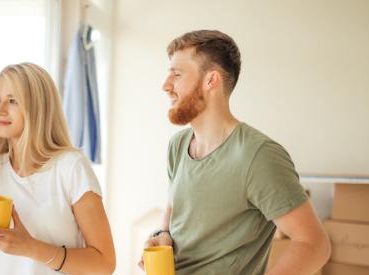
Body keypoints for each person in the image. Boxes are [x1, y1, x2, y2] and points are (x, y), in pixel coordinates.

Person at [139, 30, 331, 274]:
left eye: (176, 74)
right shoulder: (178, 145)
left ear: (211, 80)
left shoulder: (258, 156)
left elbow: (314, 244)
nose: (166, 86)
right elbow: (173, 205)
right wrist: (163, 233)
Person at [0, 63, 115, 275]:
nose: (0, 110)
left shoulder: (70, 167)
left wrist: (31, 247)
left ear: (37, 107)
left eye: (12, 101)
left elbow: (104, 264)